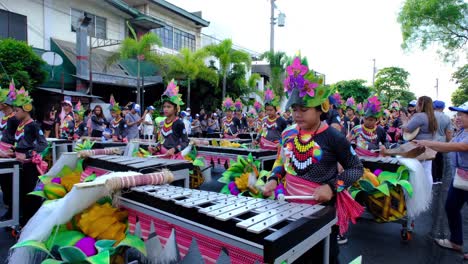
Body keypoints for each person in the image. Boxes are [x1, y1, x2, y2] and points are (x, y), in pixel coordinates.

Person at [262, 57, 363, 264]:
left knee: (324, 258)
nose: (297, 115)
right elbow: (283, 161)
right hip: (289, 209)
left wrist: (332, 187)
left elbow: (356, 169)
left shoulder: (333, 137)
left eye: (303, 110)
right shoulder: (289, 134)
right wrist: (274, 178)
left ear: (319, 109)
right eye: (294, 109)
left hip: (322, 212)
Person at [413, 101, 468, 259]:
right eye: (457, 114)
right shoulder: (462, 132)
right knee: (451, 207)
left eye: (461, 115)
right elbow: (448, 145)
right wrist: (427, 148)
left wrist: (427, 143)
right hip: (461, 177)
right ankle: (456, 242)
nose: (457, 118)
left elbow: (460, 148)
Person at [11, 87, 48, 226]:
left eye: (17, 110)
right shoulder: (21, 125)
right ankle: (22, 221)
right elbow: (21, 143)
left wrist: (28, 154)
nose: (15, 113)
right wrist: (14, 150)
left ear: (26, 110)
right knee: (21, 193)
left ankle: (30, 223)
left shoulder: (33, 125)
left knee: (29, 194)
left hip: (30, 166)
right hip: (20, 164)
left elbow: (43, 144)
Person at [401, 96, 438, 185]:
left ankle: (416, 195)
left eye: (417, 103)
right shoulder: (432, 116)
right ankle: (428, 194)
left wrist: (404, 122)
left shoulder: (420, 116)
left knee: (415, 171)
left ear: (421, 105)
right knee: (427, 171)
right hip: (429, 147)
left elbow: (407, 129)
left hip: (418, 147)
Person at [150, 79, 189, 158]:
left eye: (169, 107)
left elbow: (185, 142)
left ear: (175, 109)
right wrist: (156, 148)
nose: (165, 109)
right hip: (162, 154)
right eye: (164, 107)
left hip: (174, 157)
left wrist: (174, 149)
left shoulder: (179, 123)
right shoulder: (162, 122)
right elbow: (162, 141)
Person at [0, 82, 19, 221]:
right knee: (4, 183)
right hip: (1, 153)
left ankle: (13, 212)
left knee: (10, 185)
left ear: (5, 103)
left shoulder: (14, 118)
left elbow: (19, 136)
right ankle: (8, 209)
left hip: (9, 155)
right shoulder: (3, 117)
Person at [432, 100, 453, 183]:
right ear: (443, 107)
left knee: (431, 160)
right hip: (441, 142)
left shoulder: (429, 116)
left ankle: (432, 177)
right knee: (440, 159)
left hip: (429, 141)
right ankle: (439, 178)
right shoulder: (447, 118)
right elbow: (448, 132)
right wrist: (448, 143)